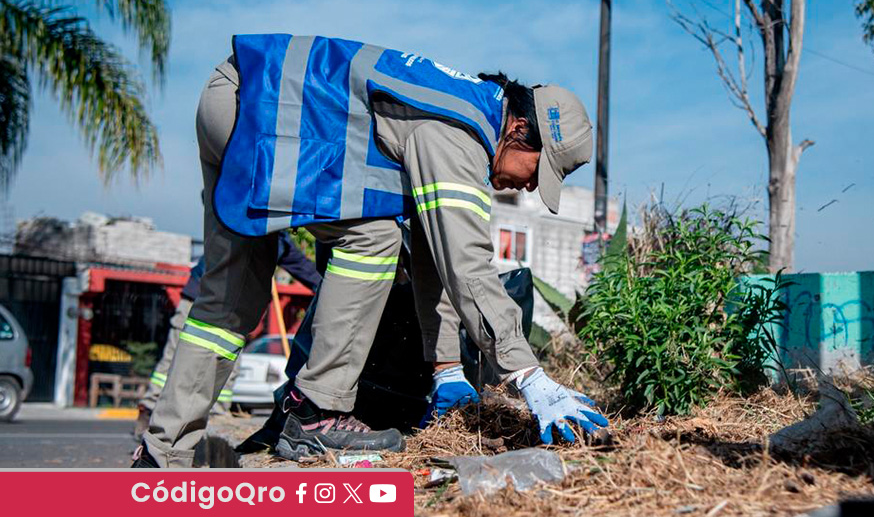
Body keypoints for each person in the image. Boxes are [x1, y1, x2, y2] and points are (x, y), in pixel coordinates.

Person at [134, 34, 606, 467]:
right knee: (374, 237)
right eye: (537, 171)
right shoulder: (460, 134)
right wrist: (527, 374)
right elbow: (467, 264)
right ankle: (316, 411)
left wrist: (445, 367)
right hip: (276, 114)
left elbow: (433, 254)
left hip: (234, 97)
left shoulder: (456, 108)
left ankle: (160, 453)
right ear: (519, 128)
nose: (527, 187)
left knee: (228, 299)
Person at [133, 233, 321, 439]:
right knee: (175, 356)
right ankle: (150, 408)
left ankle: (216, 415)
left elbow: (306, 270)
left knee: (228, 364)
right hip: (201, 298)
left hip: (232, 309)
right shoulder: (241, 222)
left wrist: (326, 288)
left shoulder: (280, 241)